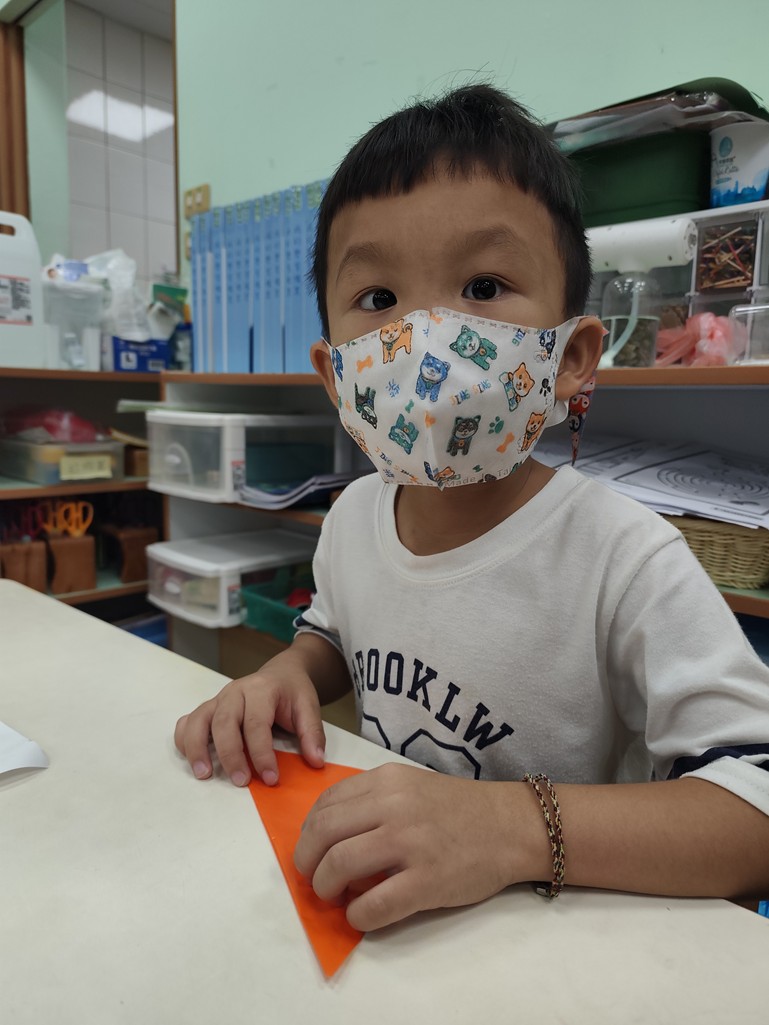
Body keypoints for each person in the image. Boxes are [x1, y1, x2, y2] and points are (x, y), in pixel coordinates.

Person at [175, 83, 769, 931]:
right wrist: (286, 675)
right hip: (398, 931)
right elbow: (337, 633)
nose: (426, 337)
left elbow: (753, 808)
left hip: (563, 954)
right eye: (377, 300)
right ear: (334, 375)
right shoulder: (351, 517)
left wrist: (507, 826)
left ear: (571, 359)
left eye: (483, 284)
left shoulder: (621, 555)